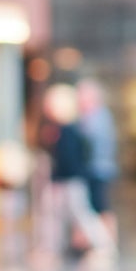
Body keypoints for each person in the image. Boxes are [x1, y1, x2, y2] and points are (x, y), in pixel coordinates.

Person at [38, 84, 112, 260]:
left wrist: (58, 179)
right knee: (61, 216)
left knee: (81, 214)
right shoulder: (70, 128)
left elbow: (69, 159)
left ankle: (103, 244)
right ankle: (52, 248)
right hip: (70, 180)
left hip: (70, 181)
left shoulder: (68, 130)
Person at [76, 78, 120, 238]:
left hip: (98, 169)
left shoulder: (97, 117)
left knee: (100, 206)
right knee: (94, 206)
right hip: (95, 169)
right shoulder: (93, 116)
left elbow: (90, 144)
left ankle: (108, 240)